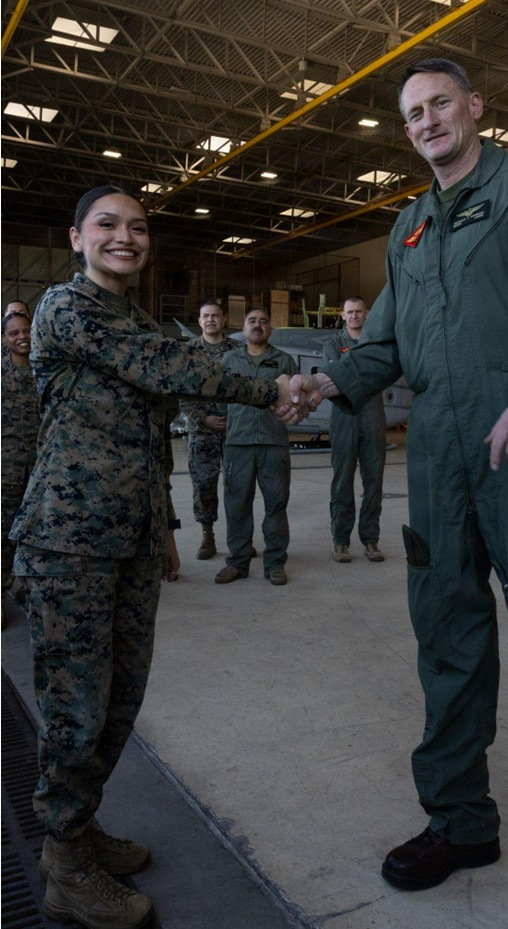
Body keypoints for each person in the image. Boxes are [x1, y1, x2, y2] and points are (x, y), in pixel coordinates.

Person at [290, 59, 508, 929]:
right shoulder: (408, 226)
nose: (429, 120)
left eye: (442, 103)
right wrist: (320, 387)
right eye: (413, 114)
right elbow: (384, 349)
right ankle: (461, 820)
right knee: (446, 641)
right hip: (438, 454)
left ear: (475, 107)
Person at [9, 185, 306, 929]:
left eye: (138, 228)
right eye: (107, 225)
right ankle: (65, 862)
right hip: (69, 537)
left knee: (118, 699)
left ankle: (80, 830)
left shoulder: (134, 317)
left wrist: (166, 527)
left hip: (131, 536)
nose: (125, 237)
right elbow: (170, 369)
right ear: (77, 237)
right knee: (75, 710)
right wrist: (271, 387)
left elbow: (148, 428)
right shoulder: (66, 307)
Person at [215, 306, 298, 586]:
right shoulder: (229, 359)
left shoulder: (284, 361)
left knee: (276, 504)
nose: (257, 325)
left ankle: (275, 563)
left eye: (263, 321)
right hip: (238, 442)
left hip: (273, 443)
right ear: (244, 327)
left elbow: (295, 402)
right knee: (236, 504)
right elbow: (218, 397)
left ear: (270, 329)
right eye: (252, 320)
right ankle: (237, 562)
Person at [322, 295, 386, 563]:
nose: (354, 316)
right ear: (343, 315)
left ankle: (371, 541)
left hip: (372, 417)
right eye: (350, 312)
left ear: (366, 314)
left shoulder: (375, 342)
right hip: (344, 416)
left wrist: (354, 376)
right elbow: (335, 375)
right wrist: (362, 376)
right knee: (342, 483)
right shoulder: (333, 344)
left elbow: (379, 373)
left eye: (359, 311)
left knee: (374, 482)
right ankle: (340, 541)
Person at [178, 300, 239, 560]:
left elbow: (244, 385)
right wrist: (203, 418)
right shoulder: (189, 351)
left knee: (239, 486)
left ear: (223, 319)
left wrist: (235, 417)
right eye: (206, 316)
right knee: (203, 485)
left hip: (235, 430)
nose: (211, 320)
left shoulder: (238, 350)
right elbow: (182, 391)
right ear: (200, 321)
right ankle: (207, 536)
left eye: (215, 315)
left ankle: (239, 538)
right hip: (202, 432)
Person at [1, 307, 40, 624]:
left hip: (42, 471)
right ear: (4, 339)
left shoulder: (46, 368)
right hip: (7, 470)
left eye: (26, 330)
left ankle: (31, 592)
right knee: (3, 534)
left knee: (38, 535)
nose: (22, 337)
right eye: (14, 333)